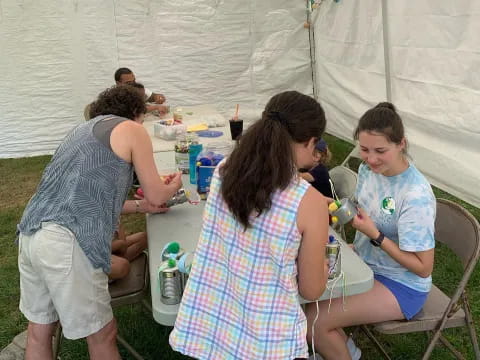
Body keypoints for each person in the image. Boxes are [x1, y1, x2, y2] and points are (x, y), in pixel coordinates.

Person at [17, 85, 182, 360]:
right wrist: (172, 185)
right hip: (68, 241)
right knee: (102, 335)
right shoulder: (131, 129)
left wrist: (143, 205)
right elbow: (157, 192)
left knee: (40, 330)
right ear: (136, 112)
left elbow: (89, 195)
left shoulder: (82, 131)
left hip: (33, 233)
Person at [170, 91, 330, 360]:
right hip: (268, 337)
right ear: (311, 141)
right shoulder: (308, 202)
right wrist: (323, 264)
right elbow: (312, 289)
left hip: (215, 322)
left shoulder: (225, 170)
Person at [306, 102, 436, 360]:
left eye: (380, 150)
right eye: (364, 149)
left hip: (402, 284)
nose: (371, 158)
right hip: (366, 264)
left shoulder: (415, 195)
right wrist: (332, 205)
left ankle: (333, 346)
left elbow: (423, 267)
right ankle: (346, 351)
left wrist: (375, 235)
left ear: (401, 144)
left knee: (314, 321)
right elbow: (361, 208)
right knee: (305, 294)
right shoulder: (368, 169)